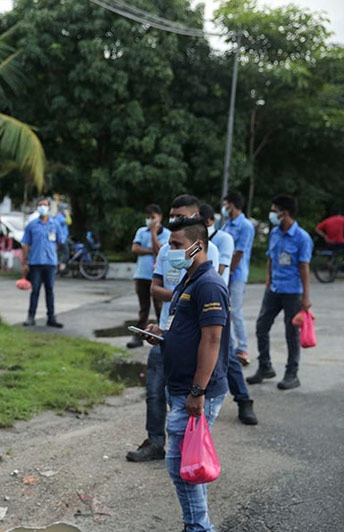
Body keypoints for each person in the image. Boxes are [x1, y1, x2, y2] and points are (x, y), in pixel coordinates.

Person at [126, 195, 256, 464]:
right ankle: (159, 443)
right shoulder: (173, 254)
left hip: (196, 336)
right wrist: (174, 310)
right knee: (156, 392)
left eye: (180, 217)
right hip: (168, 332)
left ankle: (194, 444)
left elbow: (210, 330)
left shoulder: (207, 264)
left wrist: (197, 392)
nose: (174, 222)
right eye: (172, 217)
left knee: (216, 366)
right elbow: (155, 289)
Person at [140, 216, 230, 532]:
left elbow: (212, 338)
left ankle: (198, 527)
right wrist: (160, 332)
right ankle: (199, 524)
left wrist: (197, 391)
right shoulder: (188, 280)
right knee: (191, 463)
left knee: (180, 464)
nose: (171, 250)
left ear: (198, 246)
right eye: (170, 243)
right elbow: (187, 330)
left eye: (177, 245)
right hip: (181, 385)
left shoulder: (209, 284)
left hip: (195, 389)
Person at [247, 195, 313, 390]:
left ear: (286, 213)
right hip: (274, 289)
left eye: (275, 210)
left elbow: (304, 268)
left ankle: (292, 373)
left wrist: (306, 298)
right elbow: (270, 258)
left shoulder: (302, 237)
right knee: (261, 326)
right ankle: (265, 366)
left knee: (291, 333)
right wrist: (268, 278)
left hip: (293, 292)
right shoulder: (275, 232)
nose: (272, 214)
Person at [127, 204, 169, 348]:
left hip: (157, 277)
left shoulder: (167, 234)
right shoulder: (141, 231)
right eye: (148, 217)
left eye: (153, 217)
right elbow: (135, 248)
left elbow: (161, 250)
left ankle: (160, 336)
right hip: (142, 275)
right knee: (144, 308)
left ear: (160, 217)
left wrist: (153, 233)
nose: (150, 221)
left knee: (159, 307)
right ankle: (139, 337)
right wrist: (151, 251)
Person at [221, 191, 255, 366]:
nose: (224, 207)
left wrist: (230, 271)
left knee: (236, 311)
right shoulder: (227, 225)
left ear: (232, 205)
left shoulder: (246, 226)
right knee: (224, 310)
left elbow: (239, 252)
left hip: (237, 274)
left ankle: (242, 348)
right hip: (226, 273)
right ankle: (228, 345)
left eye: (226, 204)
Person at [21, 198, 65, 328]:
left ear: (49, 207)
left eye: (44, 205)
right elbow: (26, 244)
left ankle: (51, 317)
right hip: (35, 263)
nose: (42, 207)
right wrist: (24, 262)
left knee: (50, 290)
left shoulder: (55, 224)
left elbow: (60, 242)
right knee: (35, 291)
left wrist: (61, 259)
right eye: (39, 205)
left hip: (50, 263)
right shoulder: (32, 225)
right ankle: (31, 317)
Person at [200, 204, 233, 285]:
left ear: (211, 220)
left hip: (215, 286)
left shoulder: (225, 239)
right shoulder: (196, 239)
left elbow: (221, 269)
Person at [54, 202, 72, 272]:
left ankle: (66, 266)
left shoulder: (61, 216)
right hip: (62, 239)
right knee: (65, 253)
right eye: (66, 209)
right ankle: (61, 269)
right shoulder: (59, 217)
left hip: (65, 238)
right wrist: (67, 215)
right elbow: (69, 222)